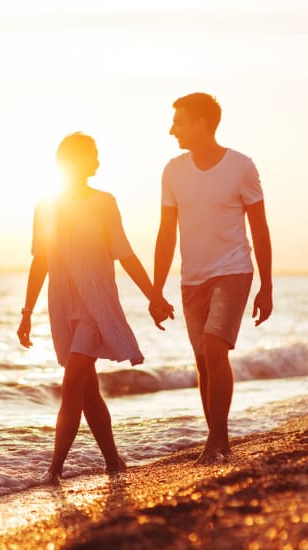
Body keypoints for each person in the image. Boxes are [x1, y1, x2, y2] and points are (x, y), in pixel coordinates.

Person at [17, 132, 173, 482]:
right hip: (61, 302)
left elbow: (125, 253)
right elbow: (40, 260)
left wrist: (153, 295)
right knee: (87, 390)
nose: (98, 162)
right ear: (72, 162)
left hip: (95, 303)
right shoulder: (46, 205)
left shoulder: (104, 202)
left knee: (72, 383)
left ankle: (54, 470)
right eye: (92, 155)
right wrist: (27, 313)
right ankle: (113, 461)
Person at [150, 93, 273, 465]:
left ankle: (214, 440)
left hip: (234, 270)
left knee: (214, 346)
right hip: (193, 278)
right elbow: (166, 233)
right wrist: (156, 290)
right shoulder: (173, 171)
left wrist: (266, 286)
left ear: (203, 123)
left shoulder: (241, 167)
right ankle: (219, 437)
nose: (172, 129)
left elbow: (260, 227)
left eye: (179, 121)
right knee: (203, 359)